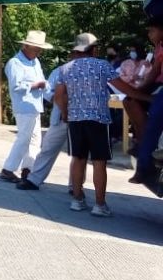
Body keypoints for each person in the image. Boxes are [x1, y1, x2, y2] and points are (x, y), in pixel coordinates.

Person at [56, 33, 148, 216]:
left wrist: (66, 113)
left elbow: (59, 95)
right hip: (98, 119)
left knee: (78, 159)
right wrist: (145, 97)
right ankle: (99, 205)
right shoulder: (103, 66)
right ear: (94, 49)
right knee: (99, 162)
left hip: (75, 120)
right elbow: (123, 88)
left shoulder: (65, 69)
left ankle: (77, 199)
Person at [16, 51, 78, 191]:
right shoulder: (61, 71)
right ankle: (34, 180)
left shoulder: (93, 71)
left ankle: (75, 186)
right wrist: (59, 100)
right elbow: (48, 90)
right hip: (61, 117)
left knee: (79, 154)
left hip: (81, 117)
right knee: (48, 149)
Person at [0, 30, 52, 183]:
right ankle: (8, 169)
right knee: (24, 138)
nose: (39, 52)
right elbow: (16, 86)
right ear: (26, 46)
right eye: (36, 49)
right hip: (23, 106)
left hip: (35, 105)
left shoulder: (35, 62)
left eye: (39, 49)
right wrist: (36, 85)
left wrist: (47, 90)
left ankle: (28, 168)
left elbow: (42, 80)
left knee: (35, 139)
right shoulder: (15, 63)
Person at [132, 18, 163, 194]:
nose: (149, 34)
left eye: (152, 30)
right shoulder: (159, 47)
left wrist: (138, 89)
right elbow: (154, 72)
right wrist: (137, 90)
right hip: (158, 87)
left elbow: (154, 73)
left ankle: (144, 165)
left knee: (155, 120)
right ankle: (142, 149)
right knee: (131, 101)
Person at [118, 42, 152, 145]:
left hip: (142, 92)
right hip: (127, 92)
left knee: (141, 116)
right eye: (131, 51)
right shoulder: (125, 63)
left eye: (134, 50)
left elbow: (149, 77)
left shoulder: (146, 63)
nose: (132, 53)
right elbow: (120, 78)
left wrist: (142, 78)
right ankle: (137, 137)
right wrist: (132, 78)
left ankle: (143, 140)